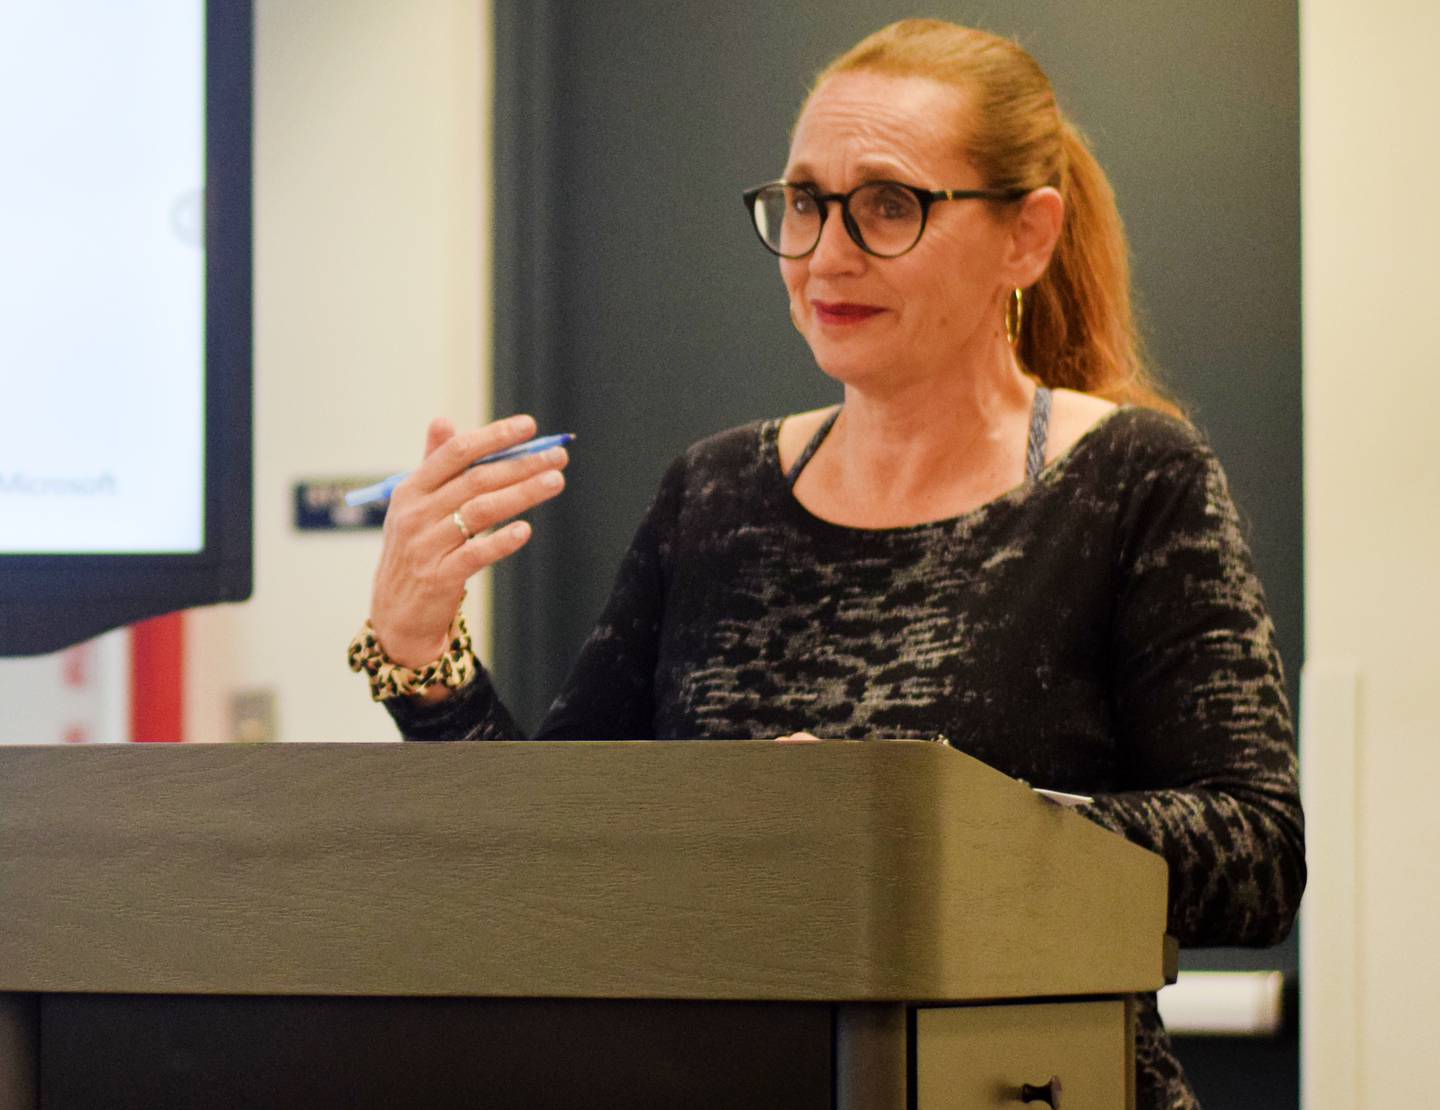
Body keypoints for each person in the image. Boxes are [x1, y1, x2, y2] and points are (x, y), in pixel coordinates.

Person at [348, 19, 1304, 1107]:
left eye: (889, 204)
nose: (825, 254)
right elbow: (560, 866)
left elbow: (1258, 857)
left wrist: (908, 817)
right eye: (803, 203)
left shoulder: (1134, 476)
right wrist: (423, 656)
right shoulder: (713, 493)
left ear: (1026, 238)